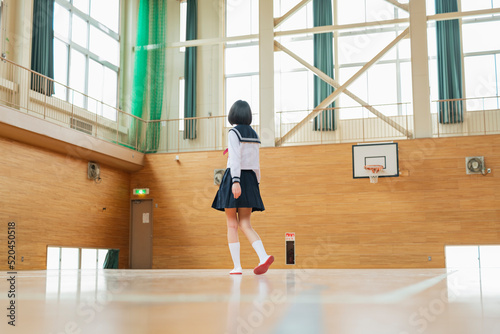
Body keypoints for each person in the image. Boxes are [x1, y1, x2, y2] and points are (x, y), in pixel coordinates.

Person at [212, 100, 274, 275]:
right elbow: (256, 163)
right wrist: (256, 183)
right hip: (251, 179)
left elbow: (235, 159)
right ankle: (263, 257)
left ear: (233, 115)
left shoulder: (234, 132)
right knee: (246, 223)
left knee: (232, 224)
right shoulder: (254, 135)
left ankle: (237, 267)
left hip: (235, 177)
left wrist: (236, 181)